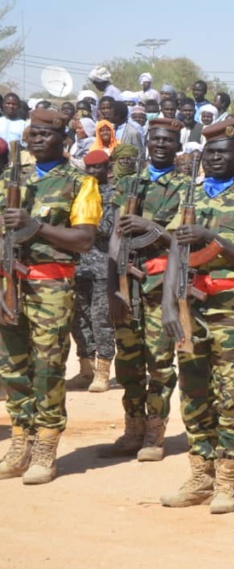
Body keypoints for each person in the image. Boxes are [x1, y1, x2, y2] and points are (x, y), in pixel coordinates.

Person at [160, 118, 234, 514]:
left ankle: (227, 479)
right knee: (194, 392)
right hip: (190, 305)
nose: (213, 158)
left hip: (231, 308)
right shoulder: (190, 196)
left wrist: (214, 240)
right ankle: (200, 473)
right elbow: (176, 251)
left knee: (230, 394)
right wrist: (167, 303)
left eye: (221, 153)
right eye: (208, 153)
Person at [0, 109, 101, 484]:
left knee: (47, 367)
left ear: (63, 139)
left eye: (46, 134)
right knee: (12, 366)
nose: (37, 139)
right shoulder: (12, 179)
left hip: (51, 287)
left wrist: (35, 227)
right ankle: (20, 440)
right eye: (33, 133)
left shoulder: (79, 182)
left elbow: (85, 239)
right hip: (9, 283)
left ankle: (45, 445)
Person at [102, 117, 188, 462]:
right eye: (156, 139)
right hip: (127, 282)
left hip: (159, 285)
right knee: (128, 361)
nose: (161, 145)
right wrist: (112, 288)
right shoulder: (128, 184)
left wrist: (149, 226)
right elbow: (114, 237)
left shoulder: (184, 187)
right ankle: (133, 428)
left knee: (160, 362)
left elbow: (180, 241)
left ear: (177, 145)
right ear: (147, 143)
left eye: (168, 140)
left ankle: (155, 432)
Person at [67, 149, 118, 394]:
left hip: (102, 265)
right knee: (78, 318)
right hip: (79, 265)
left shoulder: (113, 194)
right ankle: (85, 368)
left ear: (107, 169)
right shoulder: (79, 191)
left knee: (101, 319)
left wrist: (86, 221)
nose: (93, 172)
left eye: (97, 168)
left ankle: (102, 370)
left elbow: (108, 228)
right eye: (89, 168)